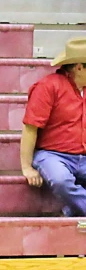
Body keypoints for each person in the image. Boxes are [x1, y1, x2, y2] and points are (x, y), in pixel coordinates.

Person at [21, 37, 86, 216]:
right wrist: (27, 167)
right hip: (52, 155)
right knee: (61, 181)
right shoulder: (48, 86)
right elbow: (30, 127)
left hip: (84, 156)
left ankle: (71, 212)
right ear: (79, 67)